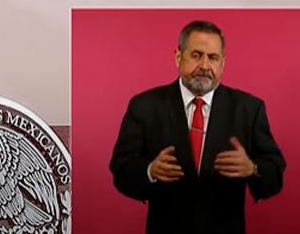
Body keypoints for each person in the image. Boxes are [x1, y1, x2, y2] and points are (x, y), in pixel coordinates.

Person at [109, 20, 285, 234]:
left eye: (213, 57)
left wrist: (253, 169)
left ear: (223, 63)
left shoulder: (249, 109)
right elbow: (121, 167)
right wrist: (149, 171)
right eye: (196, 55)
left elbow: (275, 172)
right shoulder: (145, 106)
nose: (205, 66)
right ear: (178, 57)